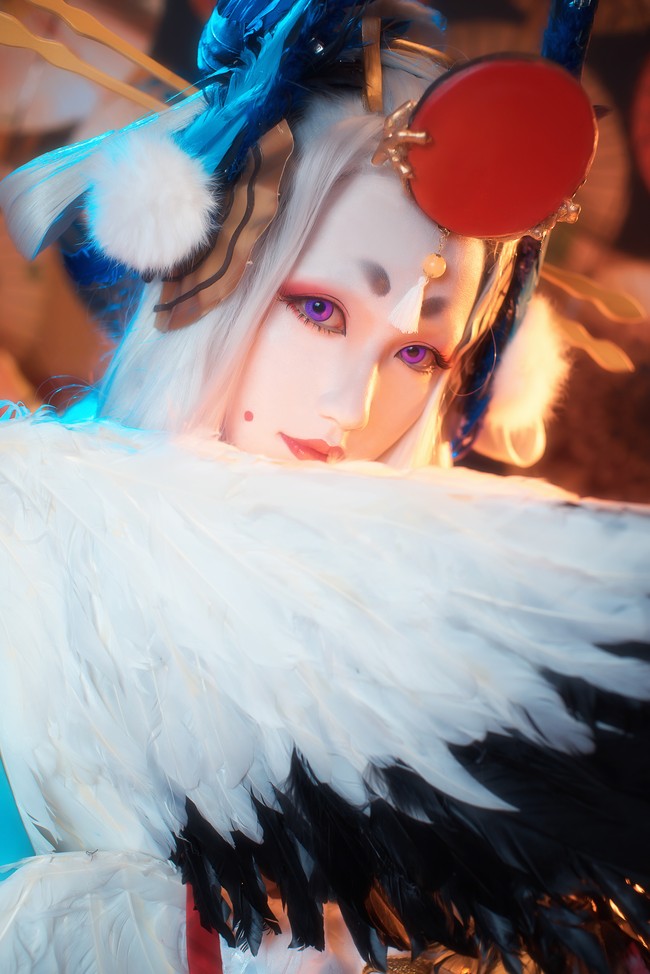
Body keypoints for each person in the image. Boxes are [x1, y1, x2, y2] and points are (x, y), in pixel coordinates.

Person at [0, 2, 648, 973]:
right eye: (317, 308)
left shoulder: (450, 617)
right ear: (218, 280)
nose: (352, 404)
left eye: (418, 353)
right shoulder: (24, 553)